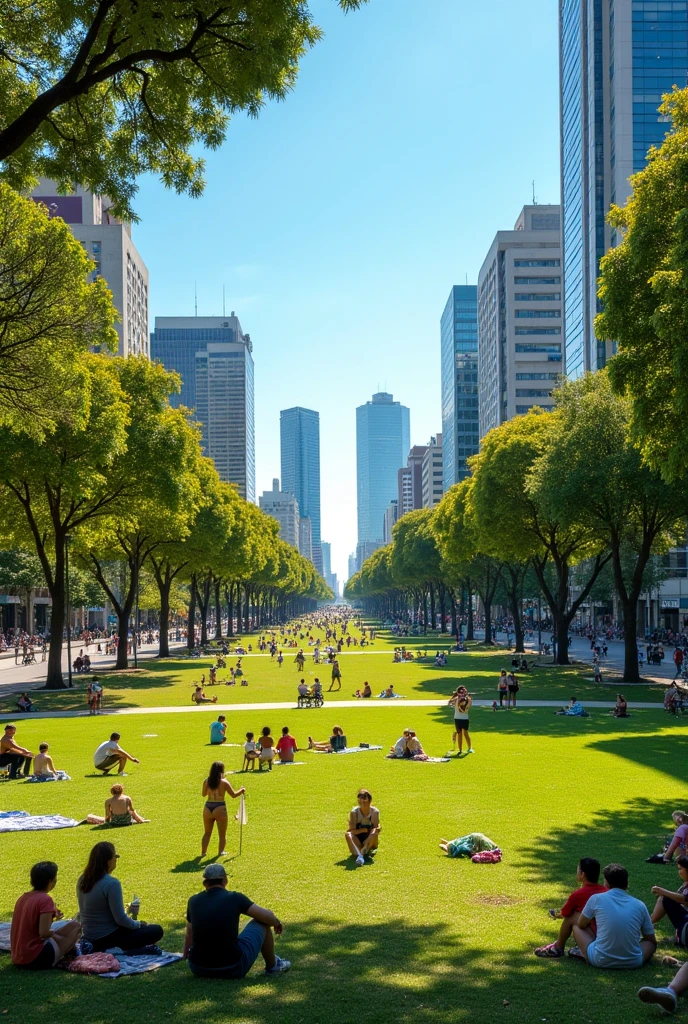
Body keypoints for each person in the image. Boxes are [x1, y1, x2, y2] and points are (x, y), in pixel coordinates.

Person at [183, 863, 290, 977]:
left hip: (198, 968)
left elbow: (189, 933)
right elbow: (266, 916)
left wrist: (185, 956)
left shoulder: (193, 901)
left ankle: (272, 966)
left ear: (205, 883)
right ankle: (273, 967)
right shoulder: (234, 898)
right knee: (262, 922)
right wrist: (276, 922)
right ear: (225, 880)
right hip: (233, 967)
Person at [77, 841, 164, 952]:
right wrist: (139, 925)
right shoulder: (111, 883)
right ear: (108, 861)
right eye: (115, 857)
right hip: (108, 938)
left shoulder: (82, 879)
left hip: (89, 936)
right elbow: (121, 920)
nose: (116, 860)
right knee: (156, 930)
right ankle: (125, 950)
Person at [571, 862, 656, 968]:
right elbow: (650, 938)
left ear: (606, 883)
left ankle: (585, 953)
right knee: (650, 944)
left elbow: (581, 924)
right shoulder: (640, 905)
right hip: (632, 962)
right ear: (627, 882)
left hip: (599, 960)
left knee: (576, 927)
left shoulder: (596, 899)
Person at [10, 861, 81, 970]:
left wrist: (52, 914)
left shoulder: (23, 898)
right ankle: (64, 954)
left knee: (71, 926)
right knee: (75, 928)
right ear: (50, 881)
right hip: (33, 958)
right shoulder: (45, 899)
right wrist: (59, 937)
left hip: (18, 957)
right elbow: (44, 932)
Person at [534, 858, 606, 958]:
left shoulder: (578, 894)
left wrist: (556, 913)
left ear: (583, 874)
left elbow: (565, 913)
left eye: (578, 870)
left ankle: (558, 948)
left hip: (596, 937)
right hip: (607, 935)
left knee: (571, 917)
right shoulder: (605, 891)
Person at [202, 761, 245, 856]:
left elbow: (203, 794)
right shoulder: (224, 782)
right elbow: (233, 795)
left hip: (208, 807)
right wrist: (241, 790)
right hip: (220, 807)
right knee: (222, 834)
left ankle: (203, 852)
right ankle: (221, 852)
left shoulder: (206, 781)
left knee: (207, 833)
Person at [650, 855, 688, 945]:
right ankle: (648, 922)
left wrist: (662, 891)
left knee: (665, 899)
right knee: (665, 898)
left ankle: (647, 923)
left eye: (680, 869)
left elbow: (684, 899)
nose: (679, 872)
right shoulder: (685, 884)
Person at [345, 789, 381, 867]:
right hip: (358, 840)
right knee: (348, 834)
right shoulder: (354, 812)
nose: (362, 803)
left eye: (364, 801)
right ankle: (362, 854)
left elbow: (376, 829)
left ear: (370, 801)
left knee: (374, 831)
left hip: (370, 840)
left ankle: (361, 854)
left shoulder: (374, 812)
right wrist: (362, 830)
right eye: (360, 801)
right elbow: (351, 831)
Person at [449, 687, 473, 755]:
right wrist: (454, 700)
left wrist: (462, 703)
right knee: (459, 734)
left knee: (465, 733)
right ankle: (460, 750)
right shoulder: (457, 698)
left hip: (465, 718)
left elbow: (466, 710)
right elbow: (450, 702)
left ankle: (470, 748)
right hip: (457, 718)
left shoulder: (468, 699)